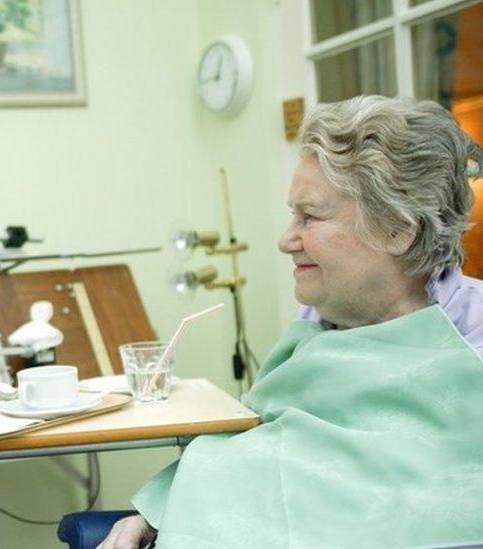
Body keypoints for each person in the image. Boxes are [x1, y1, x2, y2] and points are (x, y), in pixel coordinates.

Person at [99, 96, 483, 548]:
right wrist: (155, 513)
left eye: (310, 216)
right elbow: (262, 441)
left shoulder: (470, 340)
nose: (286, 240)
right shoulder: (319, 317)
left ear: (399, 229)